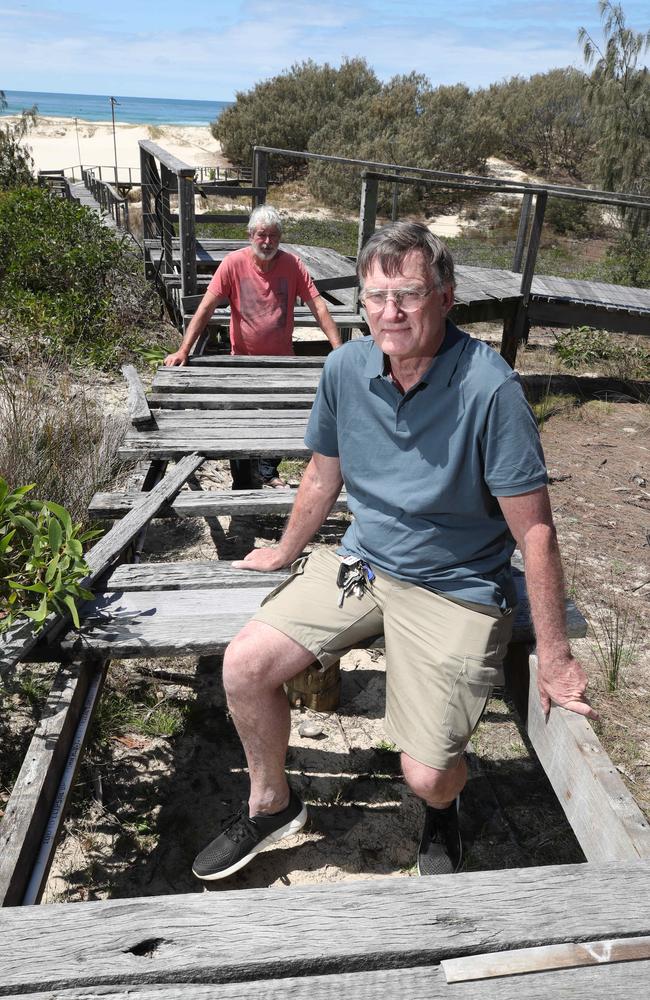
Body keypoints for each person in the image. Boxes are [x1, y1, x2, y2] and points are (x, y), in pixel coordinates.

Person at [191, 221, 596, 883]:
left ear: (446, 297)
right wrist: (286, 549)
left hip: (455, 582)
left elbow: (536, 534)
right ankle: (271, 804)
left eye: (408, 294)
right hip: (363, 562)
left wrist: (555, 657)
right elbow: (324, 474)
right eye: (376, 297)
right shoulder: (346, 367)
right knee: (243, 666)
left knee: (428, 773)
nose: (390, 312)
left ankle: (443, 812)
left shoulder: (490, 390)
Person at [164, 205, 342, 488]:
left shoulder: (293, 265)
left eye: (273, 236)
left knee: (282, 419)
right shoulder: (233, 263)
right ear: (250, 235)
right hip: (242, 360)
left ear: (280, 238)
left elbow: (318, 306)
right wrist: (184, 349)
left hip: (282, 360)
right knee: (240, 420)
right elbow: (207, 307)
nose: (268, 242)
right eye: (262, 235)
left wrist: (338, 348)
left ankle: (267, 472)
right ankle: (243, 481)